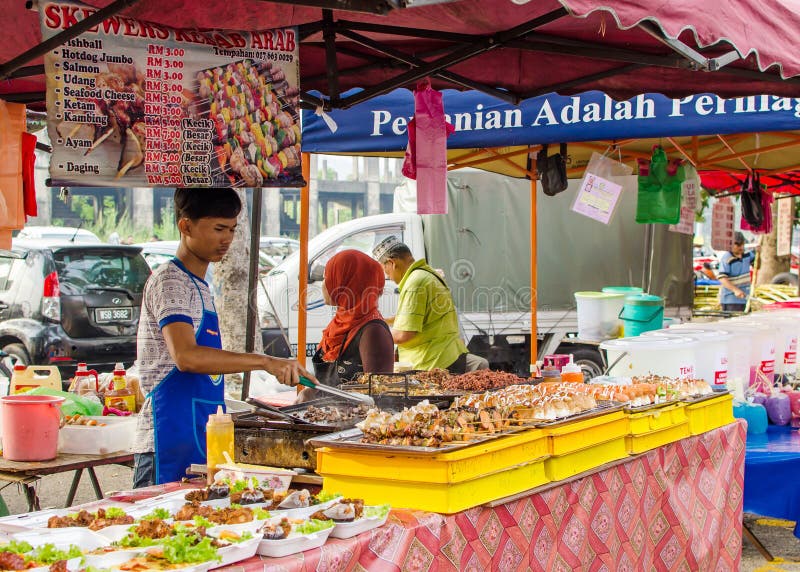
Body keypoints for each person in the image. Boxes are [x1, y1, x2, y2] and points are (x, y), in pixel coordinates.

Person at [132, 188, 314, 488]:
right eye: (218, 228)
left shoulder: (200, 286)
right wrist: (265, 361)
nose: (227, 239)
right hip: (165, 440)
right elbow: (187, 356)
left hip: (199, 435)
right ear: (185, 226)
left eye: (232, 229)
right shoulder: (171, 281)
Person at [373, 236, 489, 373]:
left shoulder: (414, 283)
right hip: (449, 354)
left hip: (433, 363)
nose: (388, 277)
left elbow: (403, 334)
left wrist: (374, 334)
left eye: (385, 271)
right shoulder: (428, 275)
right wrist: (384, 320)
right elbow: (419, 317)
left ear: (392, 263)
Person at [307, 249, 394, 393]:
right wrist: (310, 391)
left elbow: (380, 397)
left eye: (327, 277)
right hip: (324, 413)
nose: (323, 285)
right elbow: (325, 384)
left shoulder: (373, 332)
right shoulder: (340, 321)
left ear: (345, 283)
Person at [717, 231, 756, 312]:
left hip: (745, 299)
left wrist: (758, 251)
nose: (741, 247)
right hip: (731, 300)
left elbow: (756, 263)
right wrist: (735, 290)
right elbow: (722, 278)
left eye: (742, 244)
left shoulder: (747, 256)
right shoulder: (727, 258)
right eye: (737, 245)